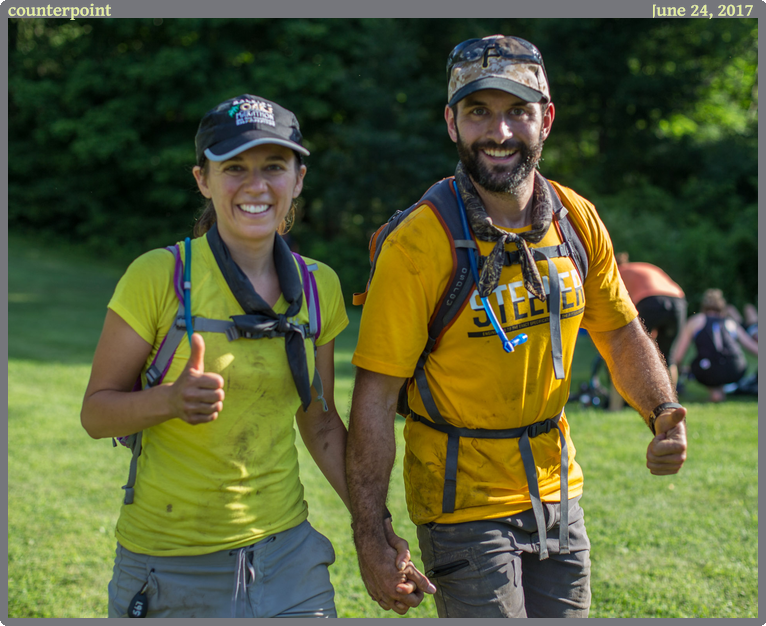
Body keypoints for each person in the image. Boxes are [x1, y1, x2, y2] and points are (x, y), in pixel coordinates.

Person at [346, 35, 688, 618]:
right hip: (461, 504)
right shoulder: (419, 244)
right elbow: (375, 398)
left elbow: (620, 330)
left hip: (559, 493)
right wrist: (371, 535)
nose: (499, 133)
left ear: (546, 119)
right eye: (479, 112)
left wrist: (661, 412)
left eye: (517, 112)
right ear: (452, 123)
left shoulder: (576, 220)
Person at [81, 94, 429, 618]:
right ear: (203, 179)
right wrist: (170, 401)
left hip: (287, 559)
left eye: (273, 167)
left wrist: (376, 532)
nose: (256, 184)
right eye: (234, 168)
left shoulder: (318, 287)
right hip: (168, 566)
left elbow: (321, 423)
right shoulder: (159, 277)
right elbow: (96, 412)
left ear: (298, 179)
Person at [670, 288, 758, 402]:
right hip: (735, 368)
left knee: (700, 365)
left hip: (706, 369)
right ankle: (722, 390)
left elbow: (677, 357)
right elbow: (753, 348)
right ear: (722, 307)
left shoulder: (696, 321)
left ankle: (715, 392)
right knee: (721, 364)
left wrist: (680, 371)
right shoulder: (729, 322)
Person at [615, 252, 687, 387]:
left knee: (629, 354)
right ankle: (672, 402)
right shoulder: (645, 266)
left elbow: (622, 306)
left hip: (651, 301)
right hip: (678, 302)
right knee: (667, 357)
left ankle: (618, 404)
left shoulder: (617, 272)